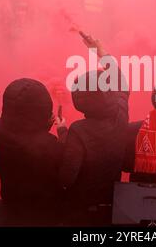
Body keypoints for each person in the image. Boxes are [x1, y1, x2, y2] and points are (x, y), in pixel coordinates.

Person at [58, 34, 129, 225]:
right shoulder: (120, 114)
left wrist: (62, 131)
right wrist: (101, 52)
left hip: (82, 208)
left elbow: (67, 176)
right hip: (112, 201)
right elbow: (122, 83)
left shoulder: (78, 130)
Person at [0, 78, 67, 211]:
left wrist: (43, 123)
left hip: (11, 200)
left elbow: (24, 133)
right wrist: (61, 130)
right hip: (43, 209)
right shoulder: (47, 146)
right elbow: (66, 161)